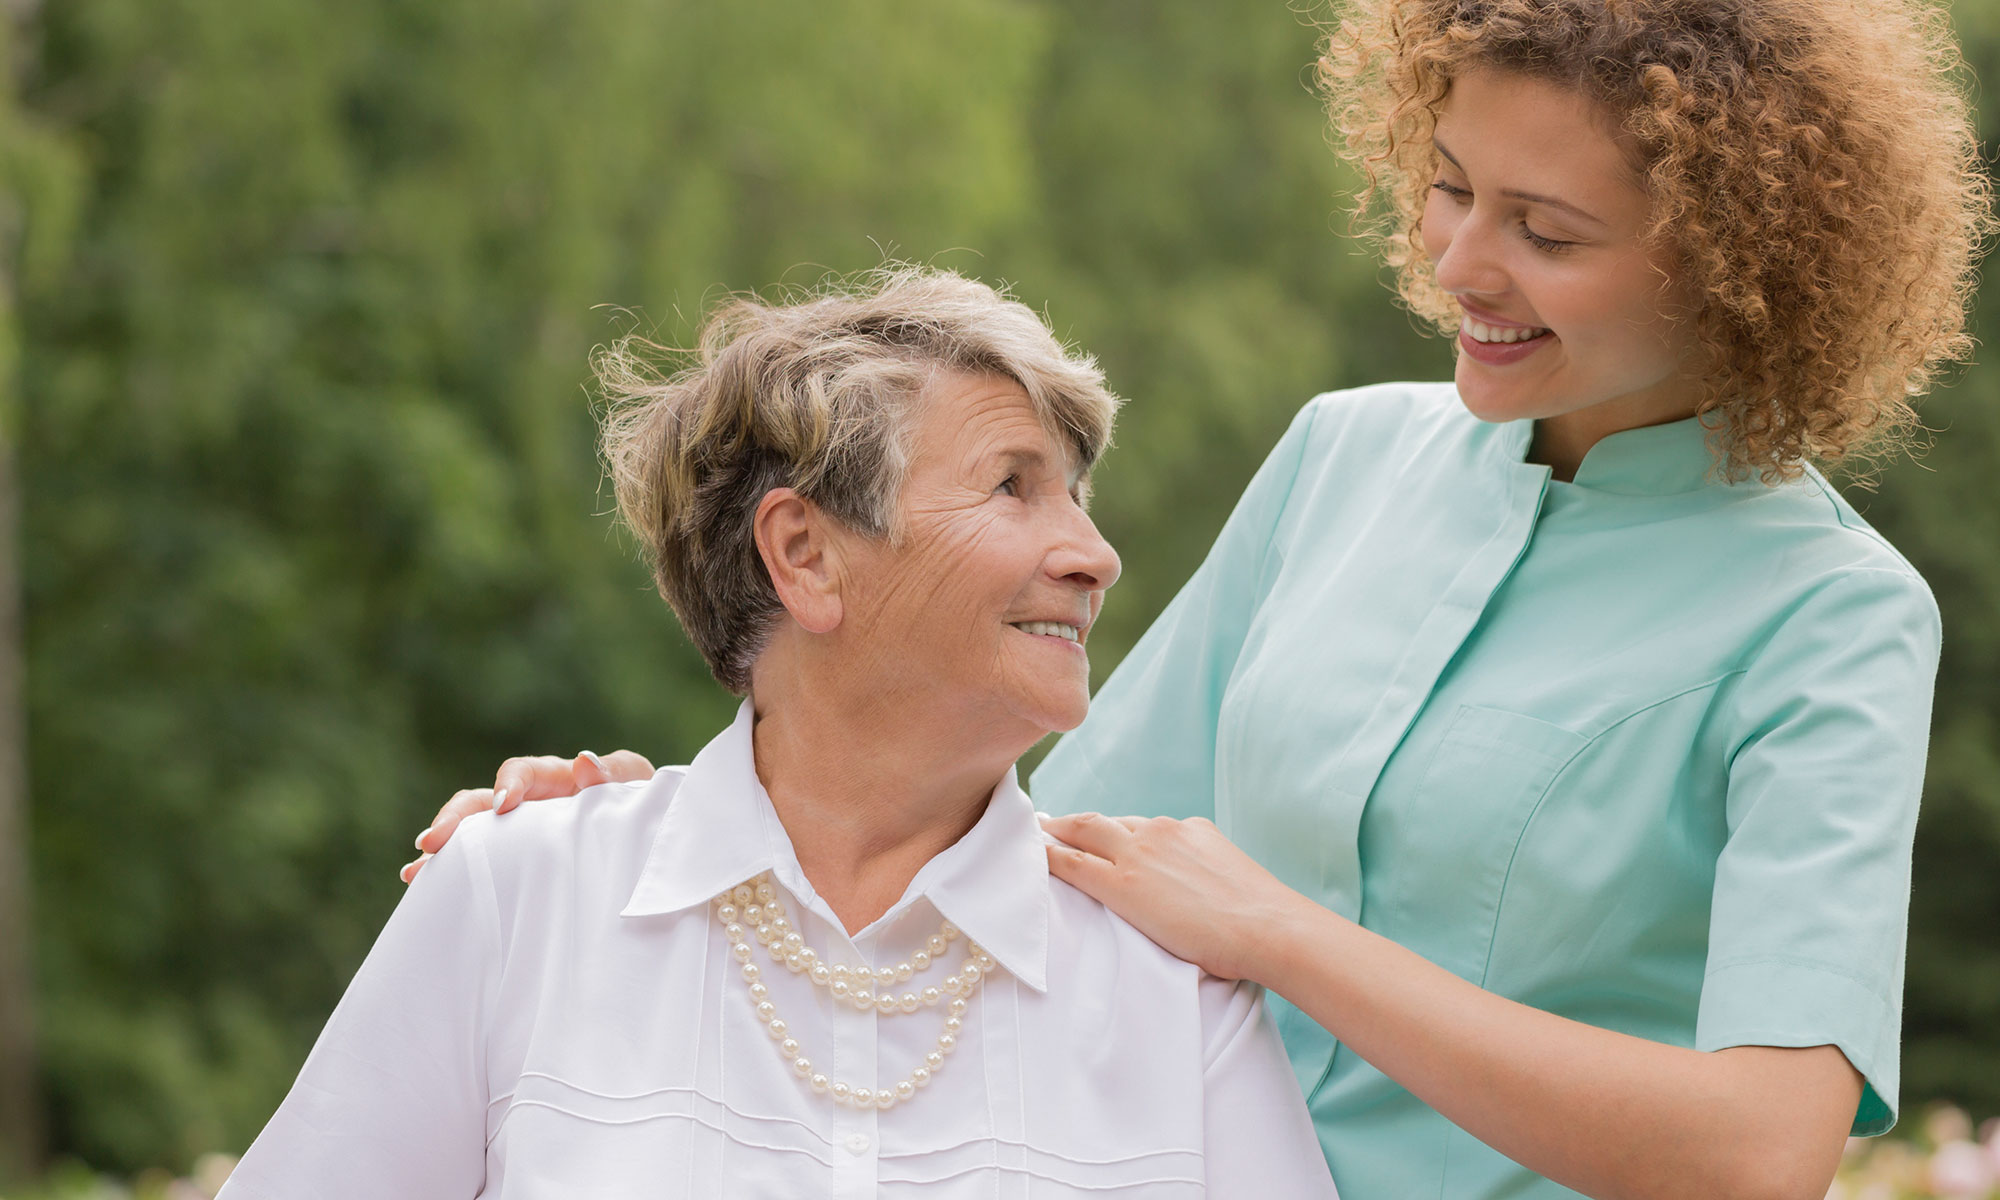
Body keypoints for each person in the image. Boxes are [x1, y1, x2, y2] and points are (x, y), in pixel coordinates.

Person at [410, 2, 1994, 1196]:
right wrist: (667, 832)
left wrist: (1291, 943)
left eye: (1547, 232)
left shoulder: (1834, 619)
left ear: (1739, 263)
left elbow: (1761, 1150)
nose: (1460, 265)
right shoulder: (1341, 457)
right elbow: (1030, 855)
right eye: (1448, 190)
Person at [221, 269, 1338, 1198]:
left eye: (1077, 497)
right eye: (1013, 487)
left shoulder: (1173, 993)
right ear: (802, 554)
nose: (1095, 555)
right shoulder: (522, 896)